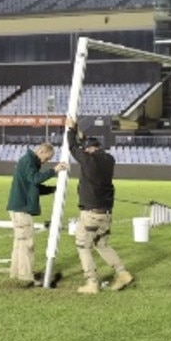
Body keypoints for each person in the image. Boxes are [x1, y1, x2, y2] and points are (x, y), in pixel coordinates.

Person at [65, 117, 134, 294]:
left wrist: (70, 130)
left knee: (83, 245)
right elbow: (84, 147)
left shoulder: (88, 160)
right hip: (106, 212)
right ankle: (122, 273)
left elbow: (72, 147)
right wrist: (80, 133)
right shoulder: (109, 159)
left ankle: (92, 282)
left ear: (88, 150)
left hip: (92, 212)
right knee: (102, 244)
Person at [6, 141, 66, 287]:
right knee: (27, 243)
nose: (47, 161)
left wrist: (53, 190)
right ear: (42, 152)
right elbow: (35, 179)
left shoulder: (28, 161)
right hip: (22, 209)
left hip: (18, 207)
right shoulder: (29, 162)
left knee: (19, 243)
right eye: (47, 158)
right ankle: (26, 275)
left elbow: (34, 186)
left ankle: (16, 272)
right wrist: (54, 170)